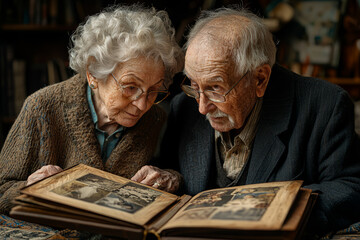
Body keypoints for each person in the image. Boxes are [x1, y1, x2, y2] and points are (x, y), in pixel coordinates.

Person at [148, 6, 360, 237]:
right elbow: (172, 168)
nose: (201, 107)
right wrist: (171, 177)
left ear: (260, 79)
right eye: (194, 86)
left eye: (216, 88)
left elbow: (350, 188)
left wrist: (277, 212)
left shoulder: (324, 106)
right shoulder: (183, 107)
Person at [0, 4, 184, 215]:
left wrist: (170, 178)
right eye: (131, 87)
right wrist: (30, 189)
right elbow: (2, 191)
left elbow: (173, 171)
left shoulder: (156, 118)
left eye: (154, 90)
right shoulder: (42, 108)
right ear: (93, 74)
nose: (143, 104)